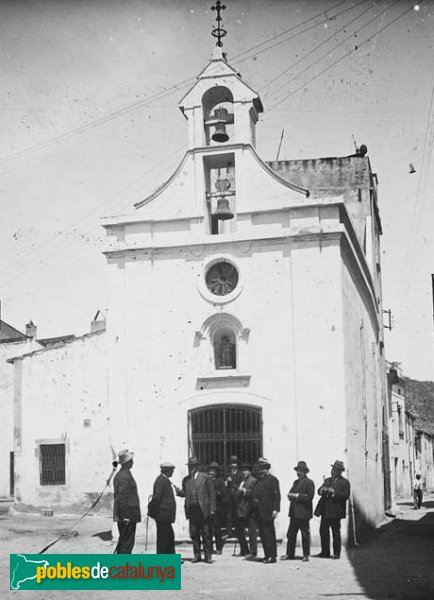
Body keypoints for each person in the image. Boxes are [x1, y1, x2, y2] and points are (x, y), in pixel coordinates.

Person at [176, 456, 216, 563]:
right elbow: (185, 493)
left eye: (193, 466)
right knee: (194, 534)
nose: (191, 468)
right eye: (190, 466)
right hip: (192, 511)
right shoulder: (186, 480)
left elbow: (212, 494)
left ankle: (208, 556)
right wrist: (179, 492)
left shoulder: (206, 477)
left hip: (203, 510)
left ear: (197, 466)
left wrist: (212, 509)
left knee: (206, 534)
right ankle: (197, 555)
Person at [315, 460, 351, 560]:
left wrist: (333, 492)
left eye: (336, 470)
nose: (333, 472)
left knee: (335, 533)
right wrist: (322, 490)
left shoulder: (345, 482)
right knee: (323, 531)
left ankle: (336, 553)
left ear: (340, 471)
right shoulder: (327, 480)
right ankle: (325, 552)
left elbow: (346, 495)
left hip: (336, 512)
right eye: (333, 469)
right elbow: (319, 490)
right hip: (325, 511)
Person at [280, 460, 315, 562]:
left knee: (304, 534)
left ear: (305, 472)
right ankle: (289, 554)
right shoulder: (295, 483)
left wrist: (297, 496)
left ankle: (306, 555)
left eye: (301, 471)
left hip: (304, 513)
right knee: (291, 534)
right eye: (298, 471)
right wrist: (291, 496)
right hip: (294, 513)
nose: (299, 473)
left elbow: (309, 497)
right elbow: (290, 493)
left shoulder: (309, 483)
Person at [251, 457, 280, 563]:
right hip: (258, 511)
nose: (260, 471)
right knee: (263, 534)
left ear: (267, 469)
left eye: (262, 468)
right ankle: (267, 555)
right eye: (259, 468)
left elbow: (277, 496)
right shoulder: (258, 481)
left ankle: (272, 556)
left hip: (268, 511)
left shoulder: (273, 480)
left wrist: (276, 510)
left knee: (269, 534)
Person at [113, 449, 141, 554]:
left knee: (124, 543)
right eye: (131, 460)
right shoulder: (124, 476)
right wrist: (125, 516)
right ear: (127, 463)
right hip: (127, 515)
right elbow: (122, 497)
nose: (133, 462)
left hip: (127, 514)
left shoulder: (122, 474)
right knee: (126, 544)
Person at [148, 462, 177, 554]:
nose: (173, 472)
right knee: (163, 539)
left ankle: (170, 558)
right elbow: (156, 498)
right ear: (167, 470)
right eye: (172, 470)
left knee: (169, 537)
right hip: (162, 515)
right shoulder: (161, 481)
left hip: (165, 516)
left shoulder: (165, 480)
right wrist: (151, 510)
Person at [234, 462, 258, 558]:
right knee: (239, 531)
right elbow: (236, 494)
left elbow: (254, 493)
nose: (244, 472)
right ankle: (244, 549)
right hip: (241, 510)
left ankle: (253, 552)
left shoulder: (253, 480)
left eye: (246, 470)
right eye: (243, 470)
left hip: (250, 509)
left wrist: (243, 491)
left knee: (252, 532)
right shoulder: (242, 481)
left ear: (249, 471)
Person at [208, 461, 227, 554]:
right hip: (208, 508)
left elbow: (223, 494)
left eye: (213, 471)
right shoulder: (206, 480)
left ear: (216, 472)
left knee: (217, 530)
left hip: (217, 508)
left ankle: (219, 548)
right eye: (210, 470)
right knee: (208, 530)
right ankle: (210, 548)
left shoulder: (220, 481)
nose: (211, 472)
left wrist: (215, 493)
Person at [224, 455, 244, 533]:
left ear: (237, 464)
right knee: (229, 515)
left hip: (238, 497)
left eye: (235, 463)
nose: (233, 465)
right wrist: (226, 482)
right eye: (232, 463)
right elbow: (223, 485)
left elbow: (242, 484)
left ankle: (238, 530)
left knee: (237, 514)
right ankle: (229, 531)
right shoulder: (227, 474)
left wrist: (235, 486)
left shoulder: (241, 474)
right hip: (229, 497)